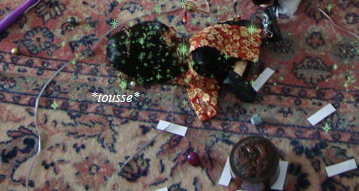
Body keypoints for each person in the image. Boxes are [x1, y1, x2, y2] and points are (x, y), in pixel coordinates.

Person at [106, 17, 280, 121]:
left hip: (201, 72)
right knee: (224, 32)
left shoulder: (144, 69)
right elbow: (174, 36)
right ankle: (241, 66)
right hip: (201, 57)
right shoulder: (156, 35)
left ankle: (236, 72)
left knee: (212, 49)